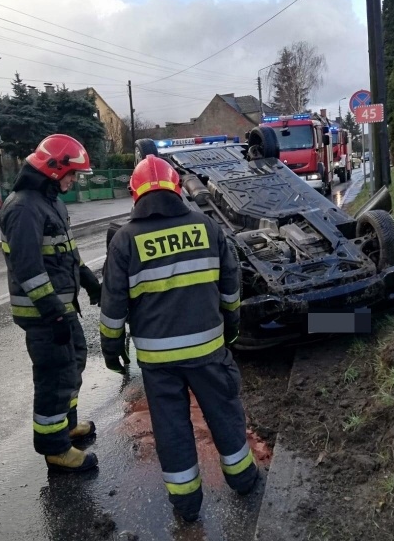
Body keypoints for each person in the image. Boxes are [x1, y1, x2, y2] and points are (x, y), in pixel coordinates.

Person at [100, 155, 258, 523]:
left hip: (158, 362)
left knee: (171, 428)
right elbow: (231, 286)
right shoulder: (206, 227)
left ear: (134, 194)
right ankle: (244, 479)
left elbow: (112, 306)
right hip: (208, 351)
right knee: (224, 412)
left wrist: (112, 347)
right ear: (176, 188)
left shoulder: (124, 240)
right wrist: (231, 326)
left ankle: (186, 506)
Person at [0, 134, 102, 473]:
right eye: (72, 173)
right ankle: (55, 448)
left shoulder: (50, 201)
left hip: (61, 307)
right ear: (53, 168)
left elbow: (65, 252)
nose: (74, 180)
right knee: (54, 377)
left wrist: (86, 277)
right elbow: (27, 268)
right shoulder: (23, 207)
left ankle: (66, 426)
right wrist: (53, 315)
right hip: (43, 314)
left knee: (73, 363)